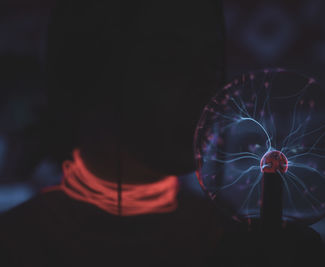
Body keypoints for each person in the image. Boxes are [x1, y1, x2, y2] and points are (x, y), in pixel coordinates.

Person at [0, 1, 225, 266]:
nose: (204, 88)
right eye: (167, 62)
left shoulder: (233, 244)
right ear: (87, 77)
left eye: (212, 60)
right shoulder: (16, 247)